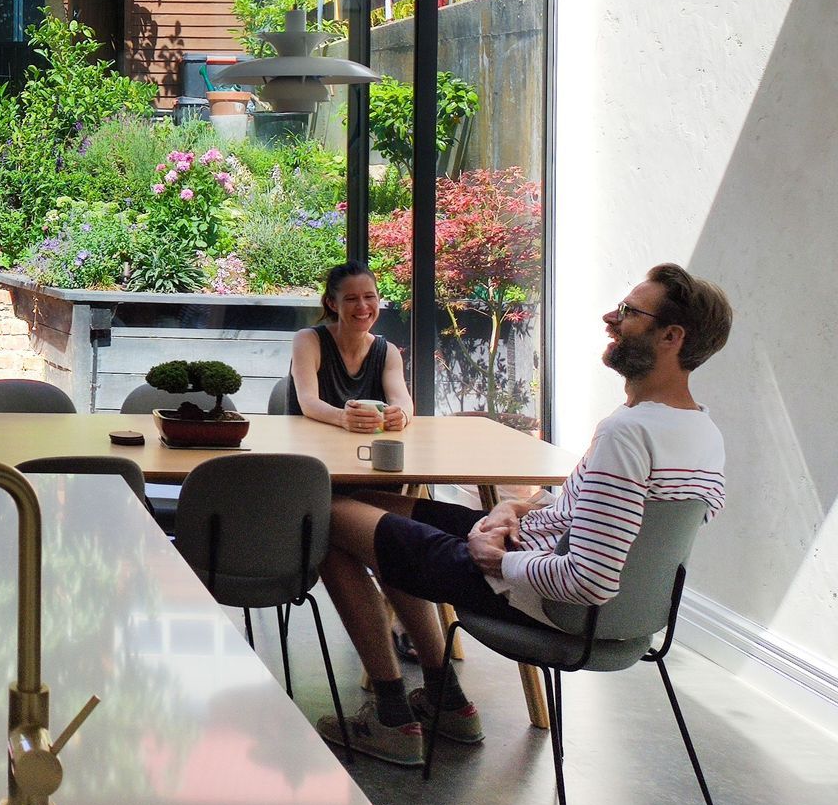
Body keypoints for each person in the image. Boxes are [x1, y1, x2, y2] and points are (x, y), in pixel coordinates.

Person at [311, 263, 732, 765]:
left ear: (671, 337)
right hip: (540, 562)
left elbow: (591, 581)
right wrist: (518, 507)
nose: (610, 318)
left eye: (628, 312)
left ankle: (392, 717)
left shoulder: (629, 434)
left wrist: (495, 559)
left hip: (530, 593)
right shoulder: (701, 432)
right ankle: (446, 701)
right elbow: (601, 517)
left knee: (326, 512)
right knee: (371, 504)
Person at [289, 263, 414, 432]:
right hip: (311, 442)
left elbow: (403, 400)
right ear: (332, 304)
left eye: (369, 296)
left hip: (367, 444)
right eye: (351, 299)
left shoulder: (388, 352)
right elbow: (308, 401)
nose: (362, 306)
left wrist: (401, 416)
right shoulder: (308, 340)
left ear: (378, 299)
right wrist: (342, 417)